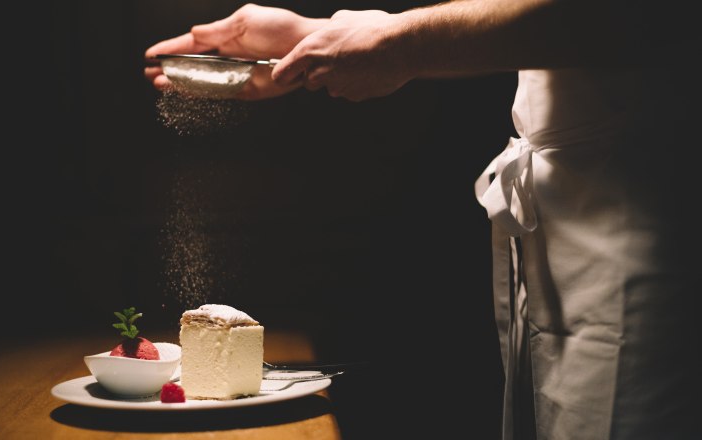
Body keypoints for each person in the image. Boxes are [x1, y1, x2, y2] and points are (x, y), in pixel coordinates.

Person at [145, 2, 699, 439]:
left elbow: (621, 14)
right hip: (567, 208)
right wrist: (320, 38)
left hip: (644, 206)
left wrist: (399, 40)